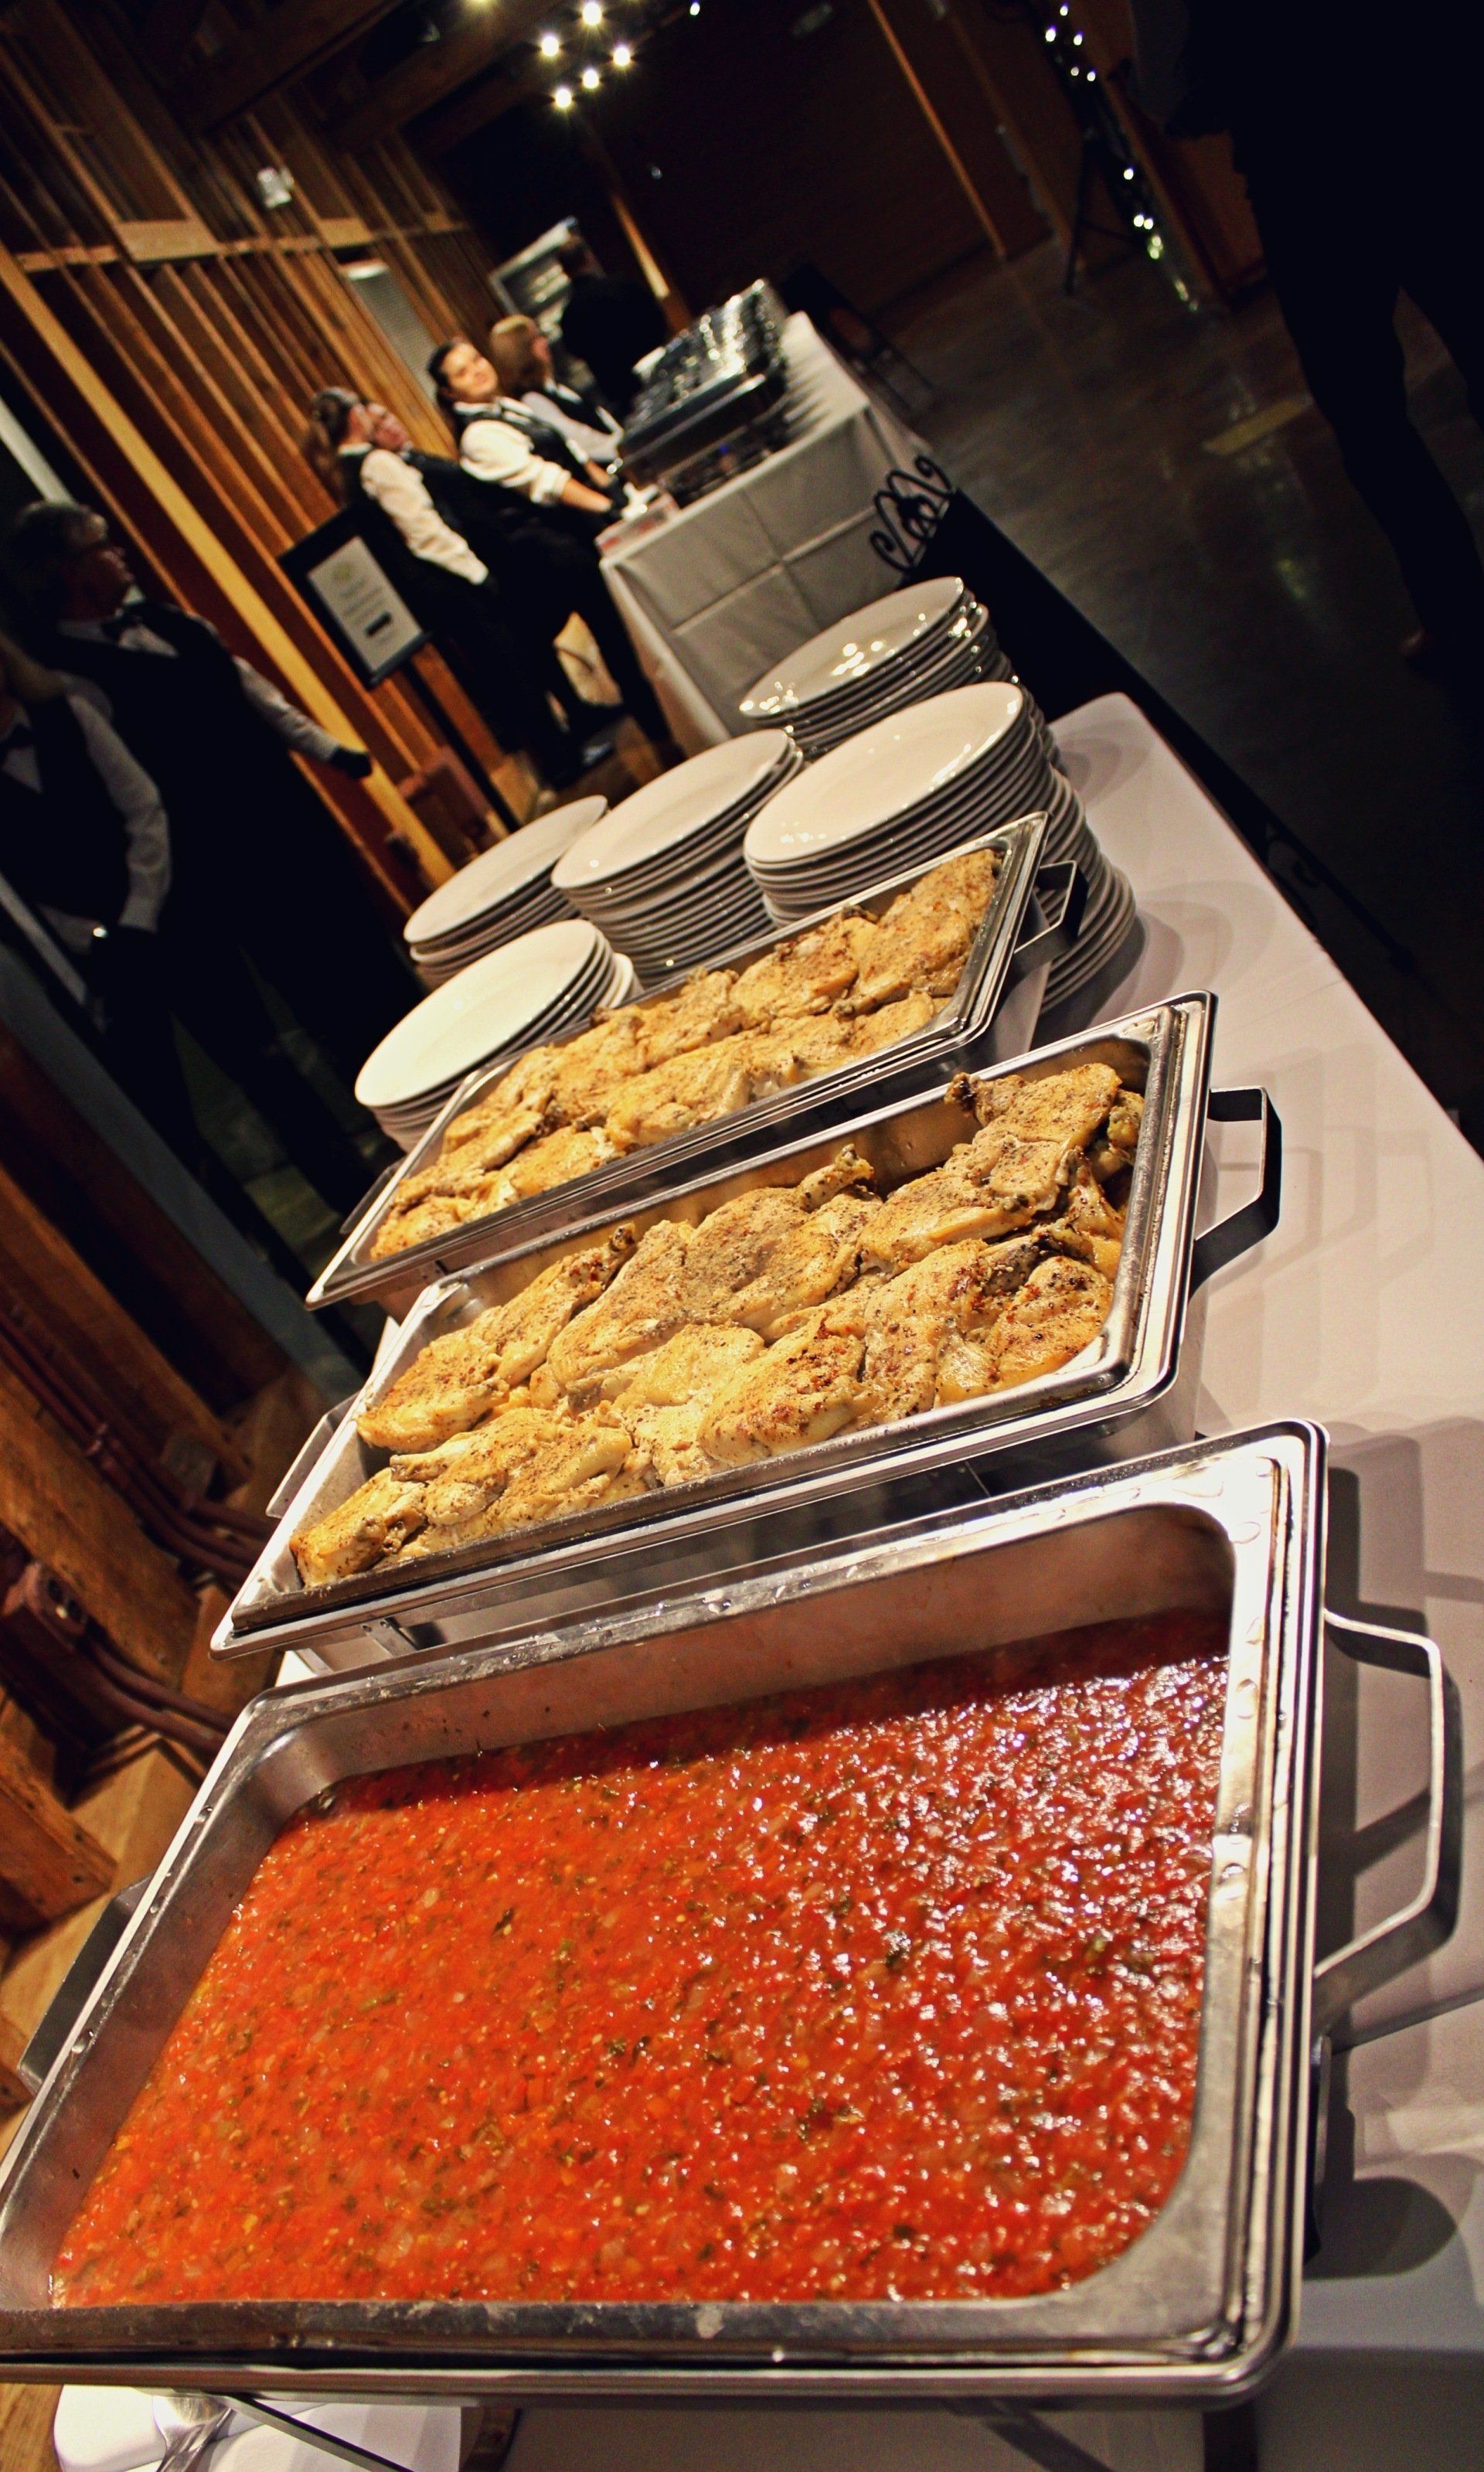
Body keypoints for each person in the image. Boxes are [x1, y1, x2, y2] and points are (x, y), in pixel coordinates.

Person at [4, 500, 415, 1102]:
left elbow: (257, 694)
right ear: (70, 571)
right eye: (103, 546)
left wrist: (331, 751)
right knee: (320, 987)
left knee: (365, 942)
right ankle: (400, 1098)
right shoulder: (67, 680)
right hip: (226, 859)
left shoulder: (172, 624)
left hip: (289, 812)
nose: (120, 554)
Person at [1130, 0, 1484, 670]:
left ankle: (1454, 609)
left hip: (1303, 168)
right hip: (1427, 114)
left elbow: (1168, 93)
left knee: (1366, 413)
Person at [0, 621, 372, 1207]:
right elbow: (19, 888)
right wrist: (97, 940)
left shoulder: (69, 715)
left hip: (176, 919)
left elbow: (145, 809)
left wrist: (136, 916)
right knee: (171, 1121)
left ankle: (354, 1194)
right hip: (106, 965)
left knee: (269, 1070)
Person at [305, 390, 615, 789]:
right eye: (364, 410)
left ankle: (560, 753)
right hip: (451, 581)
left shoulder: (350, 474)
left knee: (508, 667)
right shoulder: (376, 462)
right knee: (513, 667)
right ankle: (561, 762)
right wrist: (476, 573)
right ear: (353, 419)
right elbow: (424, 531)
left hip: (436, 591)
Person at [427, 339, 675, 754]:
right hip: (556, 551)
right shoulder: (478, 436)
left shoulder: (507, 407)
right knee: (617, 639)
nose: (477, 369)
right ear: (450, 393)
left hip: (578, 533)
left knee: (628, 629)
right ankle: (665, 736)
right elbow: (549, 482)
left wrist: (616, 493)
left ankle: (668, 718)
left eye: (476, 359)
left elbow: (571, 455)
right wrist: (612, 510)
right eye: (462, 371)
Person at [488, 315, 623, 468]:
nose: (545, 342)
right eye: (535, 339)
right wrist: (622, 448)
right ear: (521, 353)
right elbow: (580, 440)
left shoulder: (553, 383)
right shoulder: (532, 400)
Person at [556, 236, 667, 419]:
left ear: (565, 272)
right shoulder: (622, 285)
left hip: (619, 392)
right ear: (589, 257)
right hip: (657, 370)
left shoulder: (570, 314)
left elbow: (575, 350)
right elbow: (656, 317)